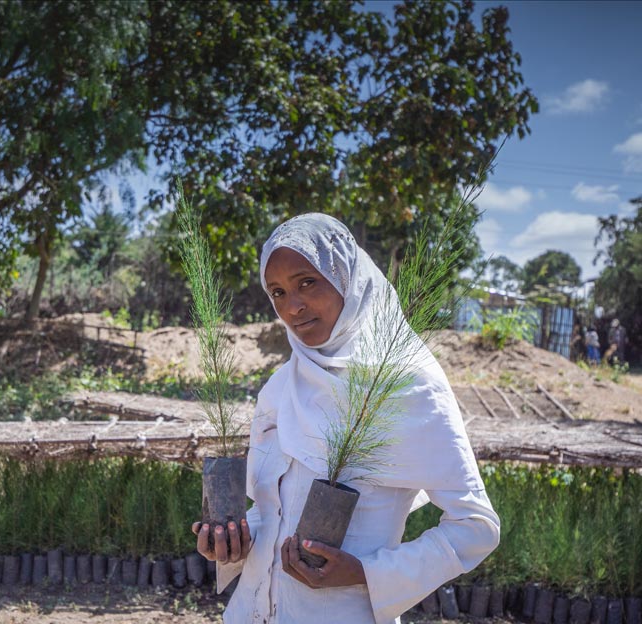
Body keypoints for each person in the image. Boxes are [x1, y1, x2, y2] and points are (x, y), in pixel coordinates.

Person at [191, 213, 499, 624]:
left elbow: (476, 527)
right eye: (278, 292)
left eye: (307, 282)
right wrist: (233, 542)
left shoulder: (405, 384)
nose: (292, 306)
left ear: (347, 279)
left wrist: (366, 574)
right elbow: (272, 510)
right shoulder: (282, 386)